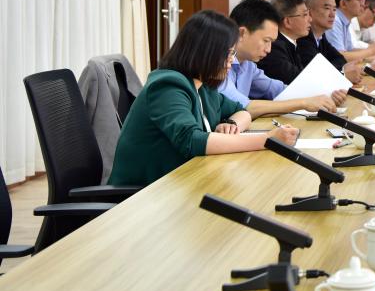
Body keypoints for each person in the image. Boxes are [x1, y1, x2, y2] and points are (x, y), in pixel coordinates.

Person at [108, 10, 299, 187]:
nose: (231, 60)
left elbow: (243, 110)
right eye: (228, 53)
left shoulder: (204, 87)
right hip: (143, 195)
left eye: (232, 53)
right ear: (205, 51)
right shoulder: (167, 86)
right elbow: (192, 140)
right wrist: (267, 140)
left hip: (179, 184)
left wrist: (232, 124)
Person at [218, 0, 347, 118]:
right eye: (266, 40)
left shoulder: (248, 65)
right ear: (242, 33)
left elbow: (280, 90)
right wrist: (303, 103)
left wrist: (326, 95)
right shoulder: (218, 63)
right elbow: (243, 106)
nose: (268, 49)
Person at [298, 0, 363, 86]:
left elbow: (340, 59)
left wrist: (340, 69)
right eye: (327, 8)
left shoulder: (321, 36)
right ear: (310, 12)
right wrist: (343, 73)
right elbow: (316, 73)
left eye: (334, 9)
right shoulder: (303, 39)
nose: (332, 15)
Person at [257, 0, 311, 84]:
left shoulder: (292, 43)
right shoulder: (274, 47)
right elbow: (298, 80)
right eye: (305, 15)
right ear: (287, 22)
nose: (310, 19)